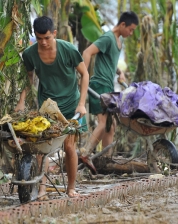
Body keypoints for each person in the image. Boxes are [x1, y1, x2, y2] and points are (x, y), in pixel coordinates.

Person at [15, 16, 89, 198]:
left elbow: (85, 74)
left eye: (47, 38)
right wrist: (21, 101)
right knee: (42, 148)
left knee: (69, 146)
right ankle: (41, 189)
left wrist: (81, 104)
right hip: (47, 105)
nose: (43, 42)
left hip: (71, 103)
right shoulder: (30, 54)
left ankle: (71, 188)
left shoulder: (69, 50)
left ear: (54, 34)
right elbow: (29, 78)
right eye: (39, 39)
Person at [80, 11, 139, 161]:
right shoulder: (108, 38)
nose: (131, 33)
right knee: (103, 122)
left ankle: (106, 159)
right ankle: (84, 153)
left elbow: (110, 61)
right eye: (130, 29)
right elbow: (87, 52)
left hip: (108, 87)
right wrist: (83, 75)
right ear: (122, 24)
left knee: (110, 125)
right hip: (99, 85)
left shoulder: (118, 41)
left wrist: (120, 72)